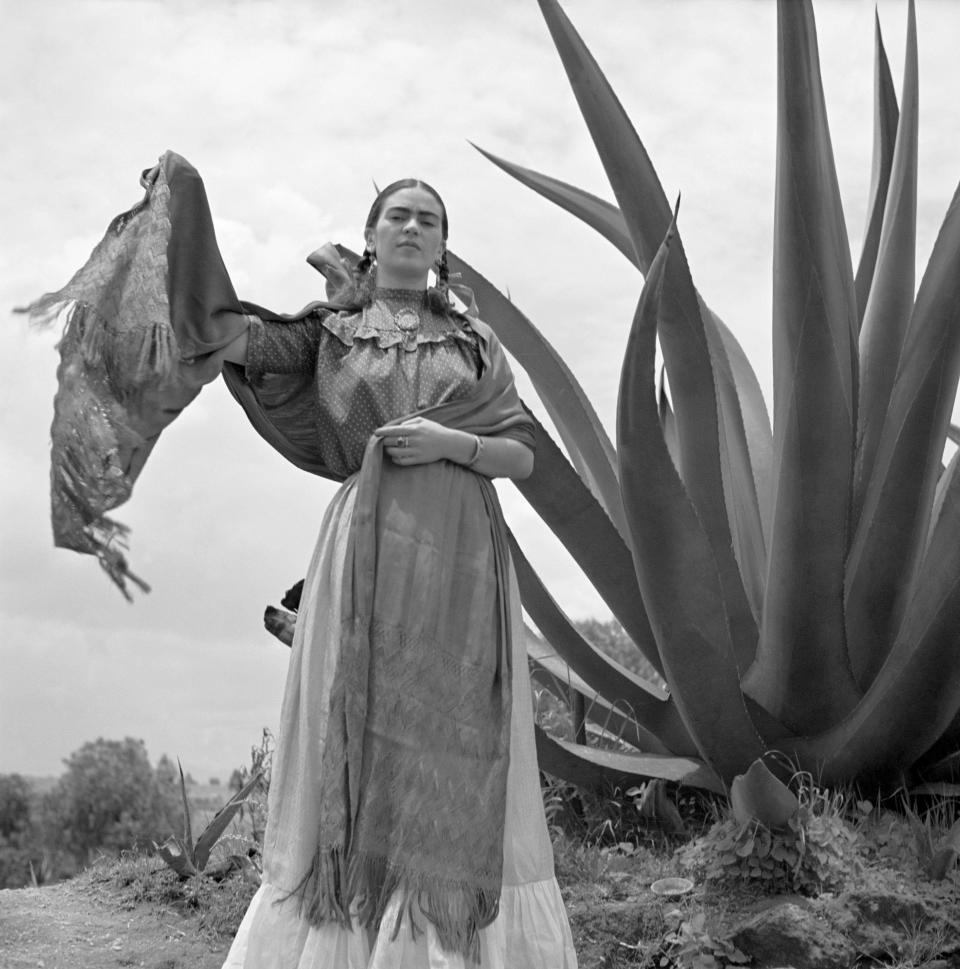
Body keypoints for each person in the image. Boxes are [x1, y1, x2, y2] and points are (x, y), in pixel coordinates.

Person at [22, 154, 578, 968]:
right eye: (399, 213)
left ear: (445, 247)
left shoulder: (475, 343)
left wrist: (449, 442)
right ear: (370, 237)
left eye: (429, 216)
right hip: (367, 545)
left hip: (463, 557)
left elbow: (524, 456)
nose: (413, 224)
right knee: (356, 723)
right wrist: (184, 206)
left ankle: (447, 938)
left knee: (452, 734)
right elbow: (224, 333)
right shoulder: (329, 336)